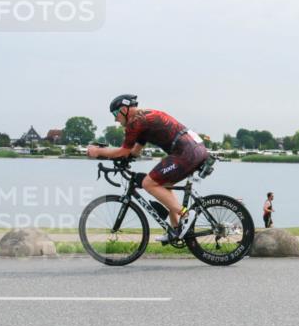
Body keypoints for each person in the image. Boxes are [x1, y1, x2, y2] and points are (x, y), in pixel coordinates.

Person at [87, 94, 209, 241]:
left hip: (185, 152)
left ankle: (186, 215)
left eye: (115, 114)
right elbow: (134, 151)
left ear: (125, 109)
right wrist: (123, 160)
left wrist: (97, 152)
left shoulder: (135, 122)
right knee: (164, 186)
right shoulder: (143, 118)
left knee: (148, 183)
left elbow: (123, 151)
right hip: (195, 149)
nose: (115, 119)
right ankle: (176, 231)